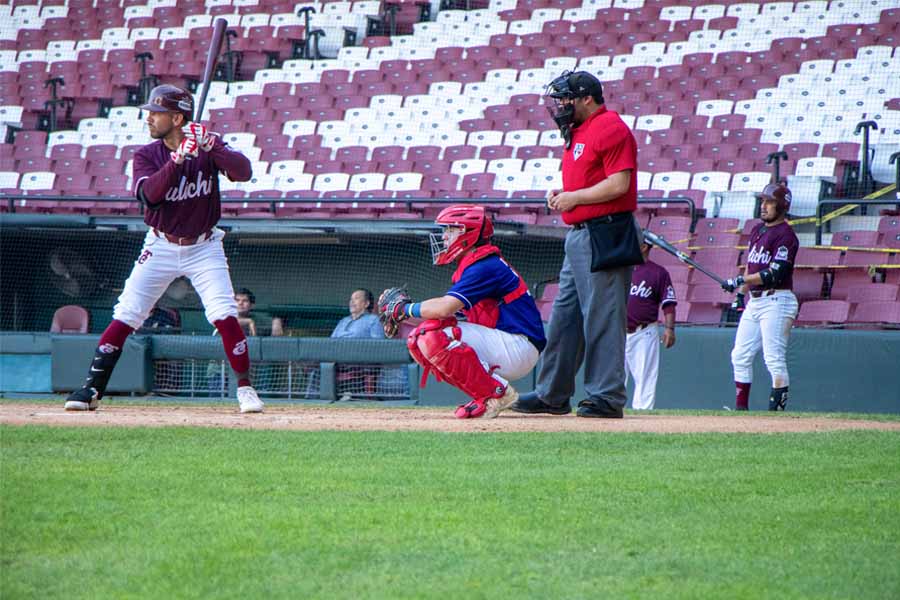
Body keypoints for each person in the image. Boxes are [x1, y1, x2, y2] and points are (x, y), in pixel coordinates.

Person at [63, 84, 264, 414]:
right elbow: (149, 196)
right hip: (160, 244)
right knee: (126, 314)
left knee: (224, 315)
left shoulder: (206, 147)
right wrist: (177, 160)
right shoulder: (147, 155)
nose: (149, 119)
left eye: (155, 113)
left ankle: (245, 390)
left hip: (204, 246)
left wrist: (212, 146)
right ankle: (91, 389)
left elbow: (244, 172)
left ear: (176, 117)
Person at [511, 70, 642, 419]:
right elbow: (589, 181)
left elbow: (618, 184)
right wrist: (564, 195)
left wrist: (574, 198)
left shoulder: (610, 126)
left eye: (567, 98)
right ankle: (552, 394)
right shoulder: (578, 131)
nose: (561, 105)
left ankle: (606, 397)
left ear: (587, 98)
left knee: (602, 318)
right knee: (564, 318)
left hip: (606, 233)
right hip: (579, 235)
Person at [379, 204, 546, 419]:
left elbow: (444, 308)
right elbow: (451, 316)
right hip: (508, 342)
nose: (445, 236)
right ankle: (485, 395)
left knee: (431, 334)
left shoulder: (485, 266)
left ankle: (497, 393)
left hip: (518, 345)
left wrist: (405, 308)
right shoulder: (477, 263)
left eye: (451, 229)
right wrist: (402, 316)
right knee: (418, 339)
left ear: (469, 232)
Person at [722, 183, 799, 411]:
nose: (763, 206)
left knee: (773, 358)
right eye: (763, 201)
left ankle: (775, 415)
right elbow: (751, 265)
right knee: (740, 355)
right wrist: (740, 294)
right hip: (756, 301)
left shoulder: (786, 235)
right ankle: (741, 410)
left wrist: (740, 281)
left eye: (770, 202)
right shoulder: (757, 230)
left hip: (778, 299)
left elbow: (775, 272)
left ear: (782, 206)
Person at [625, 239, 677, 410]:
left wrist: (669, 328)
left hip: (644, 332)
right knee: (614, 379)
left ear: (644, 246)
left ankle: (643, 422)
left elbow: (668, 303)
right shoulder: (621, 270)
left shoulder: (658, 272)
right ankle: (612, 416)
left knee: (645, 379)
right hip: (617, 332)